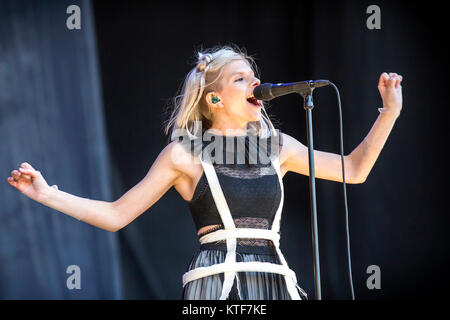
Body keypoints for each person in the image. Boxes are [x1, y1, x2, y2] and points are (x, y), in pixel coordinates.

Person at [7, 45, 403, 300]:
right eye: (241, 79)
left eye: (253, 75)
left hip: (275, 282)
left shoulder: (278, 147)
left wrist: (389, 112)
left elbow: (354, 170)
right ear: (214, 98)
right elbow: (116, 215)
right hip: (216, 287)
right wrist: (47, 193)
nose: (255, 83)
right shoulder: (183, 155)